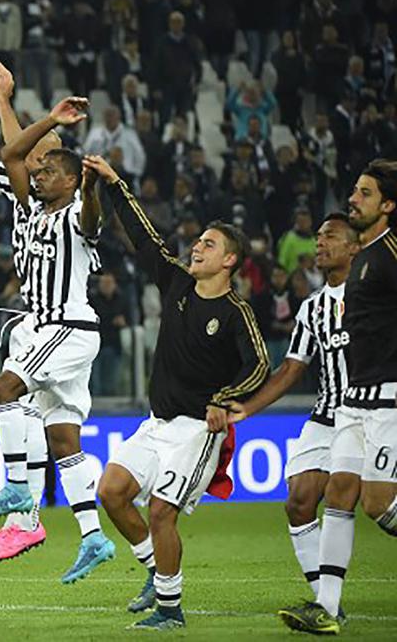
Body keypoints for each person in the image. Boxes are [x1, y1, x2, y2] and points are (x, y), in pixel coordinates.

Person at [90, 154, 268, 630]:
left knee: (163, 512)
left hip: (196, 430)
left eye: (209, 245)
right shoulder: (176, 284)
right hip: (156, 424)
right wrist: (113, 183)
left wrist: (223, 399)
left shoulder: (235, 313)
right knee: (111, 491)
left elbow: (259, 367)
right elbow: (143, 235)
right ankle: (155, 573)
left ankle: (170, 609)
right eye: (198, 242)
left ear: (229, 260)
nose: (197, 248)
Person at [0, 73, 111, 584]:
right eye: (37, 163)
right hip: (41, 327)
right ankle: (93, 536)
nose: (38, 167)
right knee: (63, 438)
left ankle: (19, 494)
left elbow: (90, 214)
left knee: (4, 388)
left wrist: (51, 121)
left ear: (70, 178)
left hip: (66, 326)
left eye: (48, 163)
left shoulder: (78, 210)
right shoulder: (26, 204)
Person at [276, 163, 397, 634]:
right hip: (351, 402)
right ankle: (326, 607)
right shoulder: (365, 256)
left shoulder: (389, 251)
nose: (354, 199)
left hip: (387, 397)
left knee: (376, 503)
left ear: (388, 205)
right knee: (339, 497)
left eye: (365, 194)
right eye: (355, 191)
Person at [222, 214, 357, 615]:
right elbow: (290, 370)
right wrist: (247, 407)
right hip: (325, 415)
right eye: (317, 238)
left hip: (371, 413)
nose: (319, 243)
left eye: (330, 236)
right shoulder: (311, 309)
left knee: (377, 506)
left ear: (354, 247)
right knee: (298, 502)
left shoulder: (375, 296)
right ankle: (325, 602)